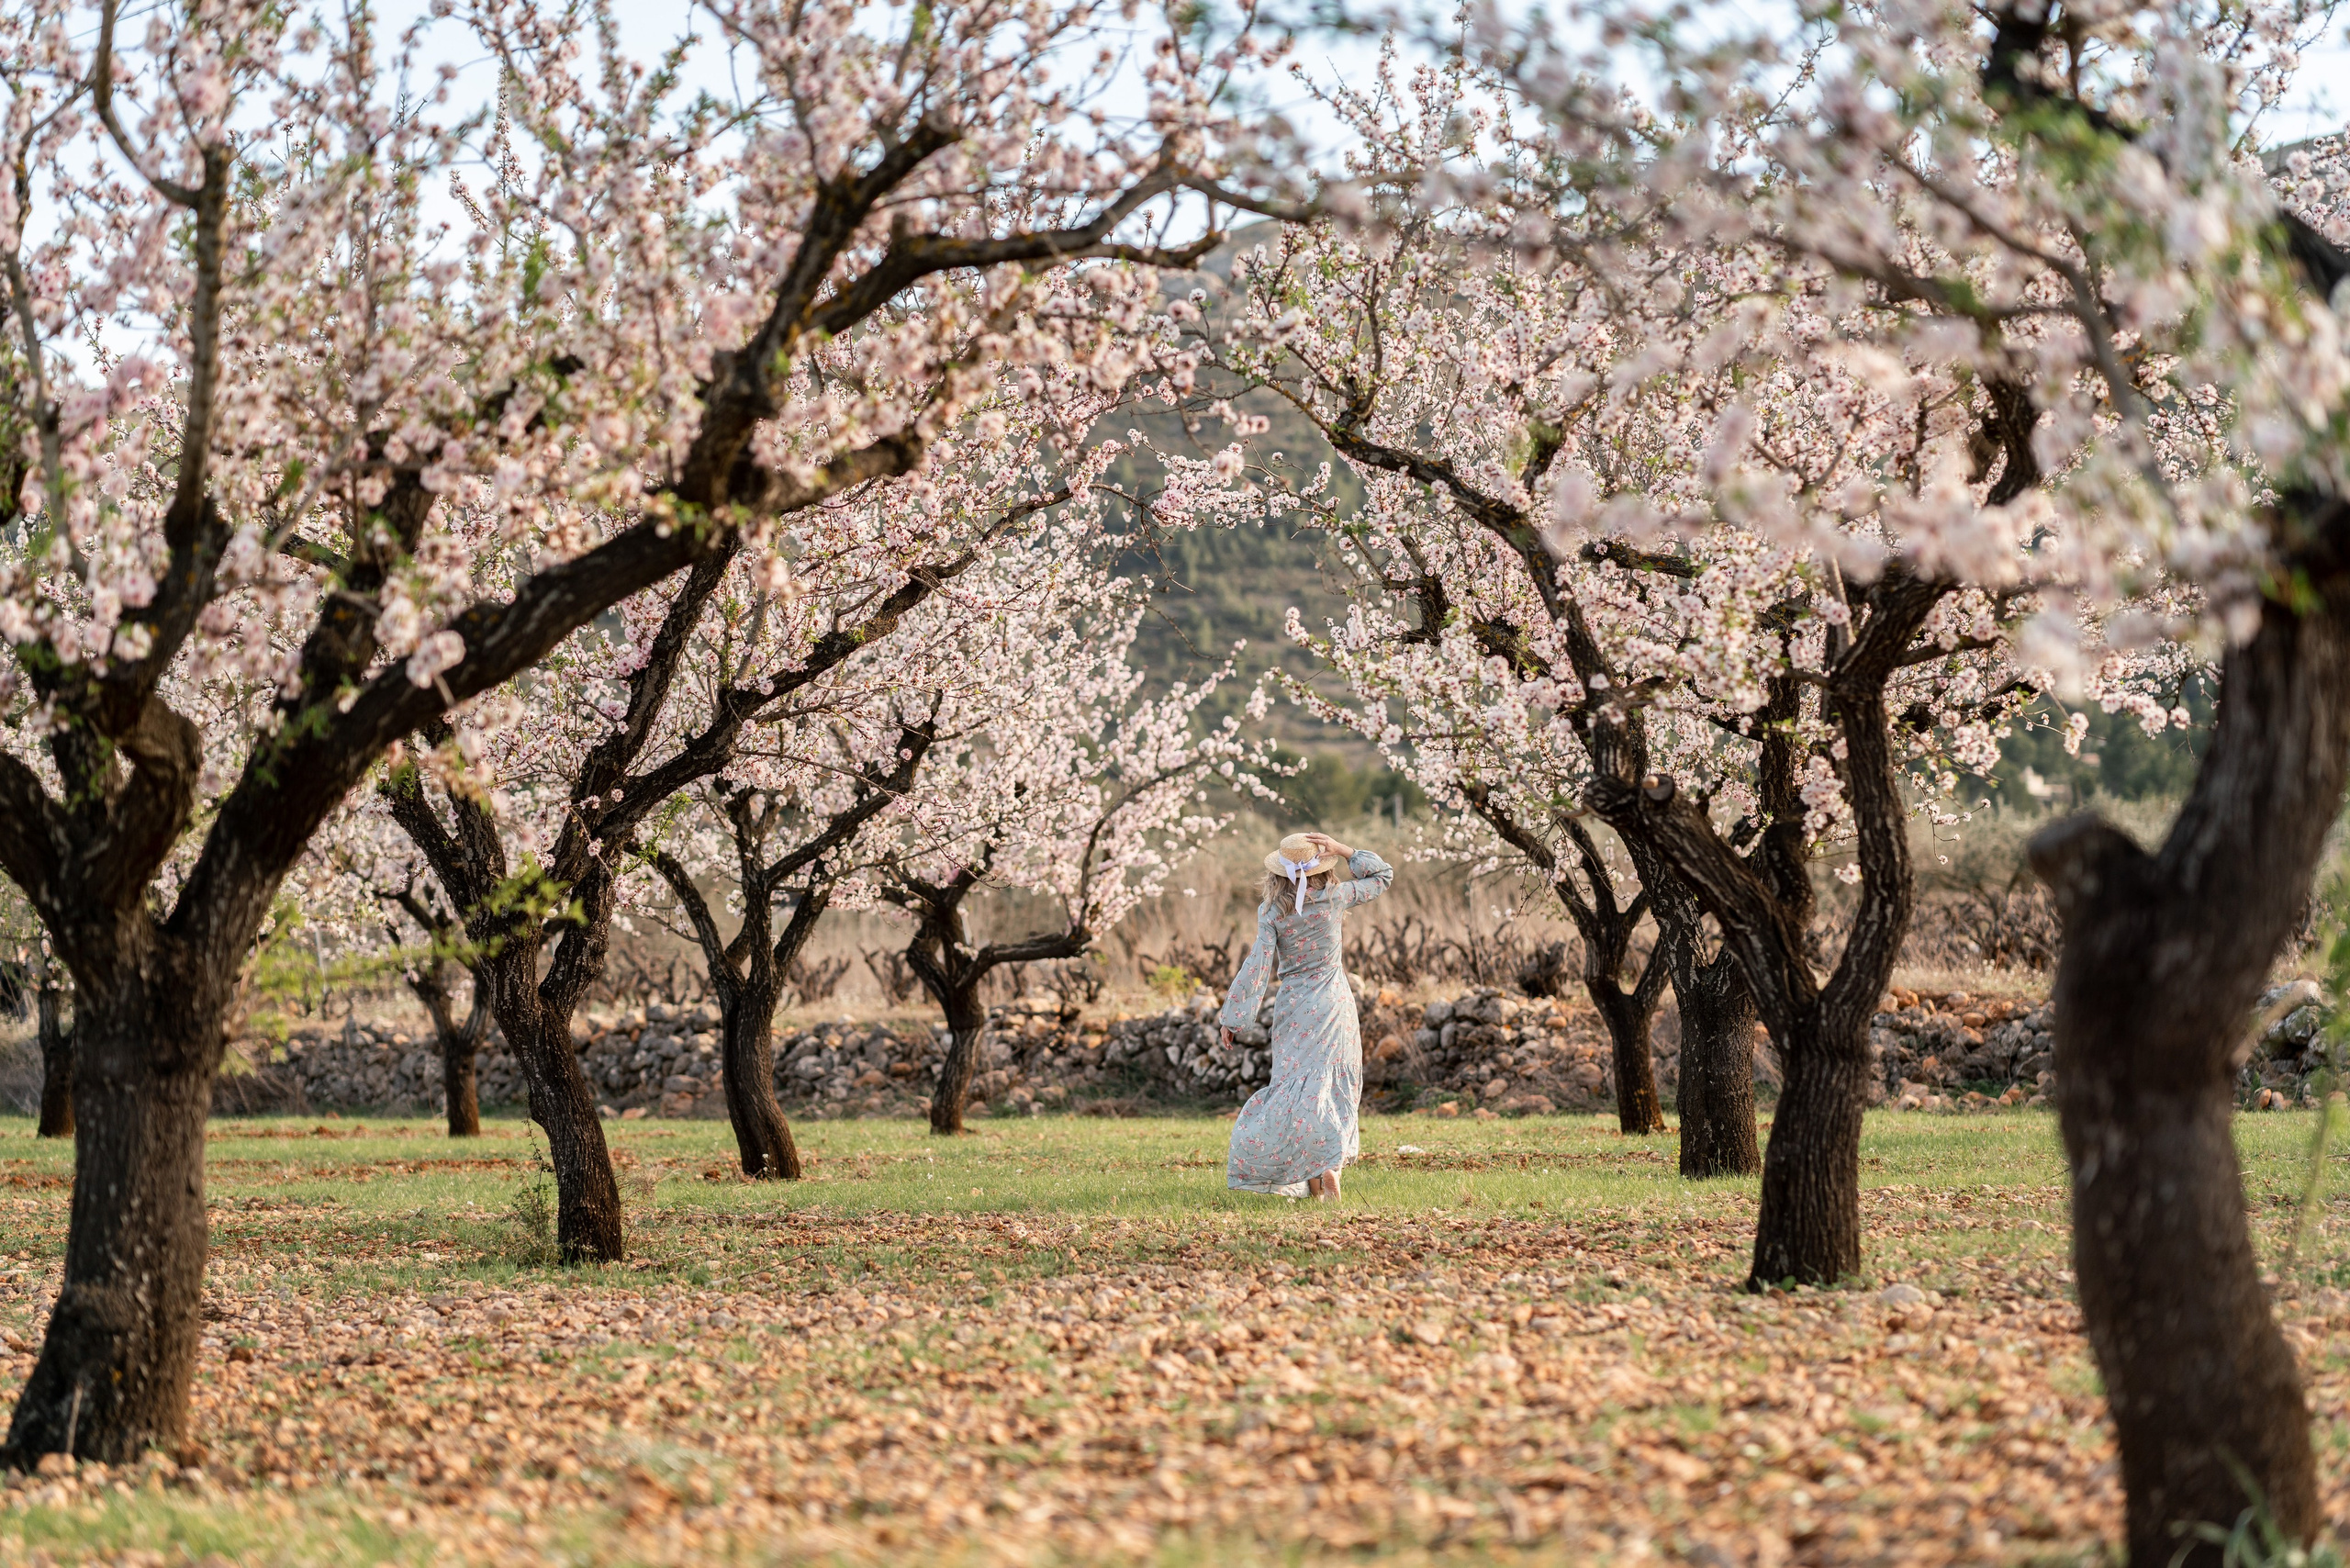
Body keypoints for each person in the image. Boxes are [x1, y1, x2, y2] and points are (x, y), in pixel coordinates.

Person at [1220, 830, 1393, 1200]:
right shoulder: (1335, 897)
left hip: (1295, 1007)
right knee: (1331, 1087)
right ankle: (1328, 1167)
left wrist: (1234, 1017)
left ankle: (1315, 1183)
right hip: (1334, 1005)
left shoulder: (1271, 911)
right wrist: (1344, 849)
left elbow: (1259, 964)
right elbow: (1382, 876)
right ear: (1323, 866)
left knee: (1297, 1090)